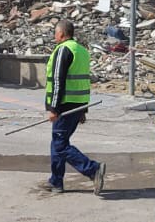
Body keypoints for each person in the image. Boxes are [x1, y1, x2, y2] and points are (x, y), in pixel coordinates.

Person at [43, 20, 105, 195]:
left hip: (64, 106)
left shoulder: (64, 49)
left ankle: (93, 169)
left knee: (60, 145)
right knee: (58, 143)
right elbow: (83, 81)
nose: (54, 36)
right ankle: (56, 181)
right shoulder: (82, 51)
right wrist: (83, 109)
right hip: (77, 105)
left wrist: (53, 108)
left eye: (55, 33)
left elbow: (57, 81)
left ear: (61, 34)